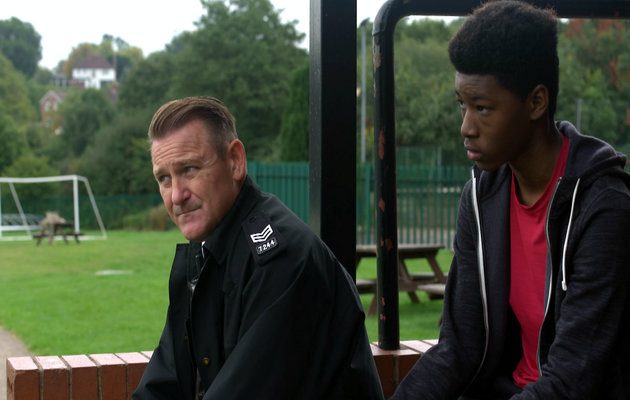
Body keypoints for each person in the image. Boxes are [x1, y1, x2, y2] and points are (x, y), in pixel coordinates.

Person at [392, 1, 630, 399]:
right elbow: (458, 349)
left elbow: (573, 379)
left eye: (483, 108)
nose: (466, 127)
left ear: (536, 102)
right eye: (462, 104)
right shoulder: (481, 198)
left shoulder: (602, 206)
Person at [133, 96, 384, 400]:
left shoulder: (281, 260)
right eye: (163, 178)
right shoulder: (208, 251)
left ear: (235, 161)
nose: (176, 196)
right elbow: (163, 382)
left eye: (189, 169)